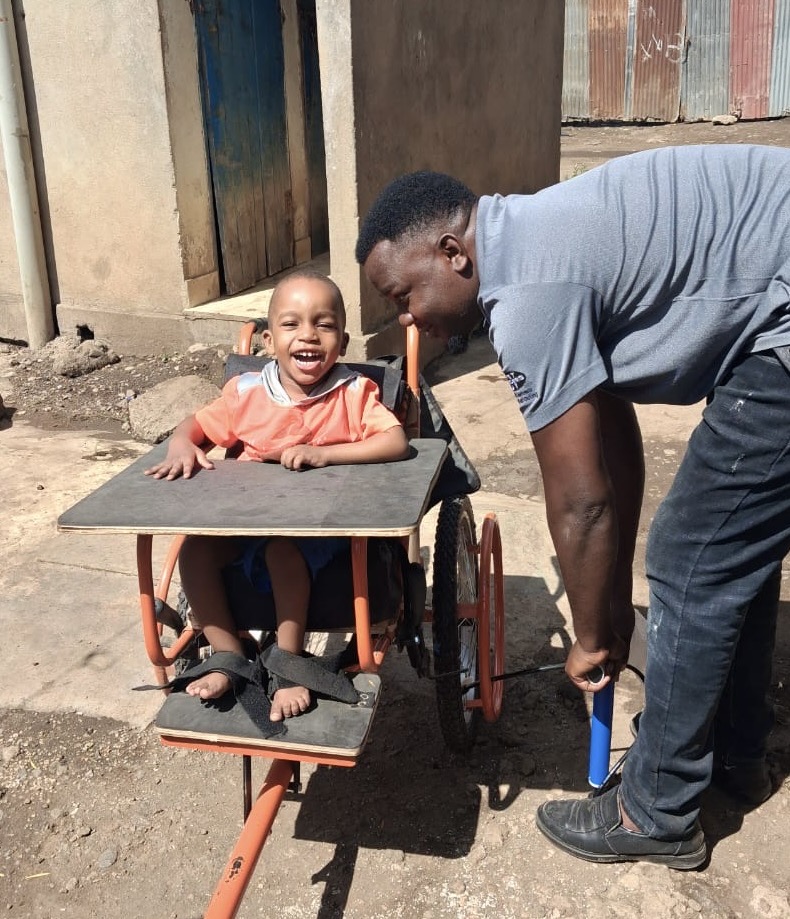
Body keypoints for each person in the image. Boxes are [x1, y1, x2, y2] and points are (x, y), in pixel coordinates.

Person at [355, 149, 790, 869]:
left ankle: (655, 812)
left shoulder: (528, 295)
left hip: (780, 314)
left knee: (691, 556)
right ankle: (733, 755)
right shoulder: (534, 241)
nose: (408, 318)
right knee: (725, 548)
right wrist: (609, 605)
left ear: (454, 254)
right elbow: (612, 450)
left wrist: (589, 637)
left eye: (404, 295)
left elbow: (581, 502)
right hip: (771, 290)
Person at [145, 269, 409, 721]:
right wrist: (182, 443)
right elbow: (198, 425)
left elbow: (395, 441)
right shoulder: (247, 393)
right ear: (268, 341)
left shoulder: (352, 394)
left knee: (281, 551)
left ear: (343, 342)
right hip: (246, 519)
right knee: (194, 552)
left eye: (324, 324)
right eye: (291, 324)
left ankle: (288, 664)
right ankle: (229, 655)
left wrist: (325, 455)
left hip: (321, 529)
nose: (308, 335)